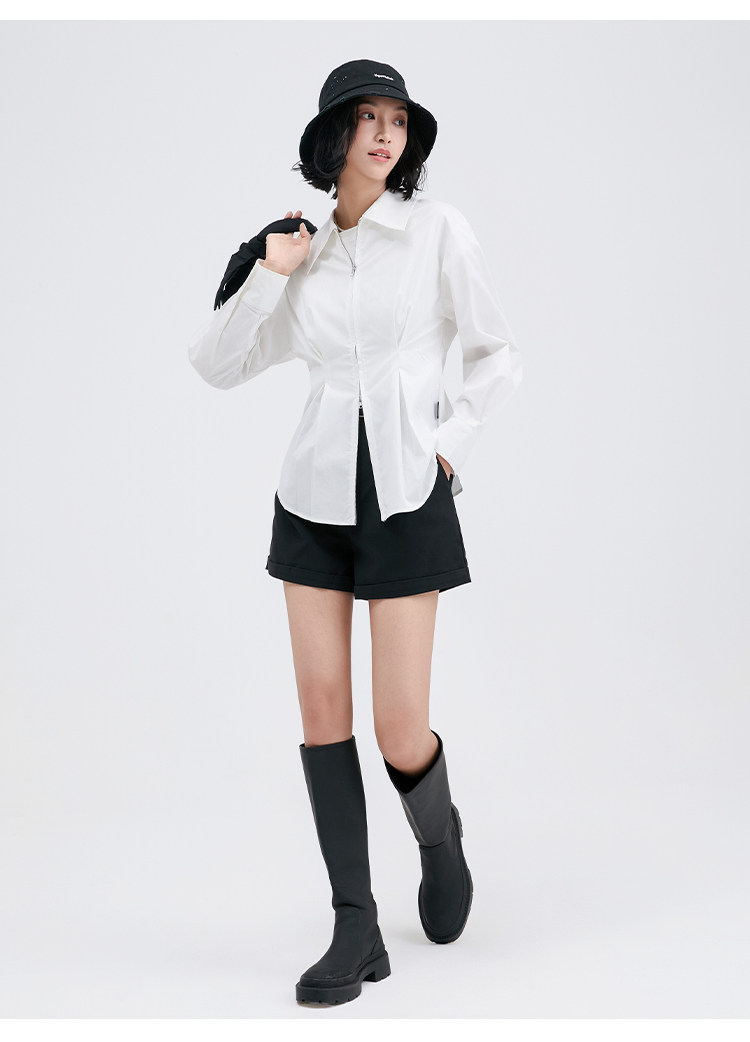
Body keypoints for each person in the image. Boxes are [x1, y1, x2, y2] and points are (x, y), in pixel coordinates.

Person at [188, 58, 522, 1007]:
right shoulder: (299, 250)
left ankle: (440, 839)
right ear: (333, 136)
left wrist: (449, 447)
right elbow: (215, 364)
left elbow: (497, 353)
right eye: (367, 118)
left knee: (397, 724)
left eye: (397, 121)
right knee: (321, 710)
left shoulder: (437, 231)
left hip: (408, 493)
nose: (384, 134)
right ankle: (355, 922)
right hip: (314, 497)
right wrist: (268, 273)